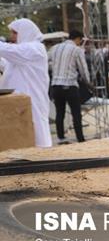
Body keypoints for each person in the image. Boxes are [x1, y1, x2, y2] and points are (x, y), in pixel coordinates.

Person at [0, 19, 52, 147]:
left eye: (14, 33)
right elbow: (6, 64)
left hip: (32, 100)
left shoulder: (35, 49)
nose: (11, 36)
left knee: (37, 135)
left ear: (25, 32)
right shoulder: (22, 53)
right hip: (17, 104)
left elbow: (7, 50)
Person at [48, 29, 91, 143]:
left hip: (56, 85)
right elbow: (83, 69)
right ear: (78, 39)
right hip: (70, 85)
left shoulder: (55, 48)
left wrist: (55, 69)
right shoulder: (77, 50)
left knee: (60, 112)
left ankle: (61, 137)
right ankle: (80, 138)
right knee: (76, 113)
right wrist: (88, 82)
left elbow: (46, 62)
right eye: (80, 41)